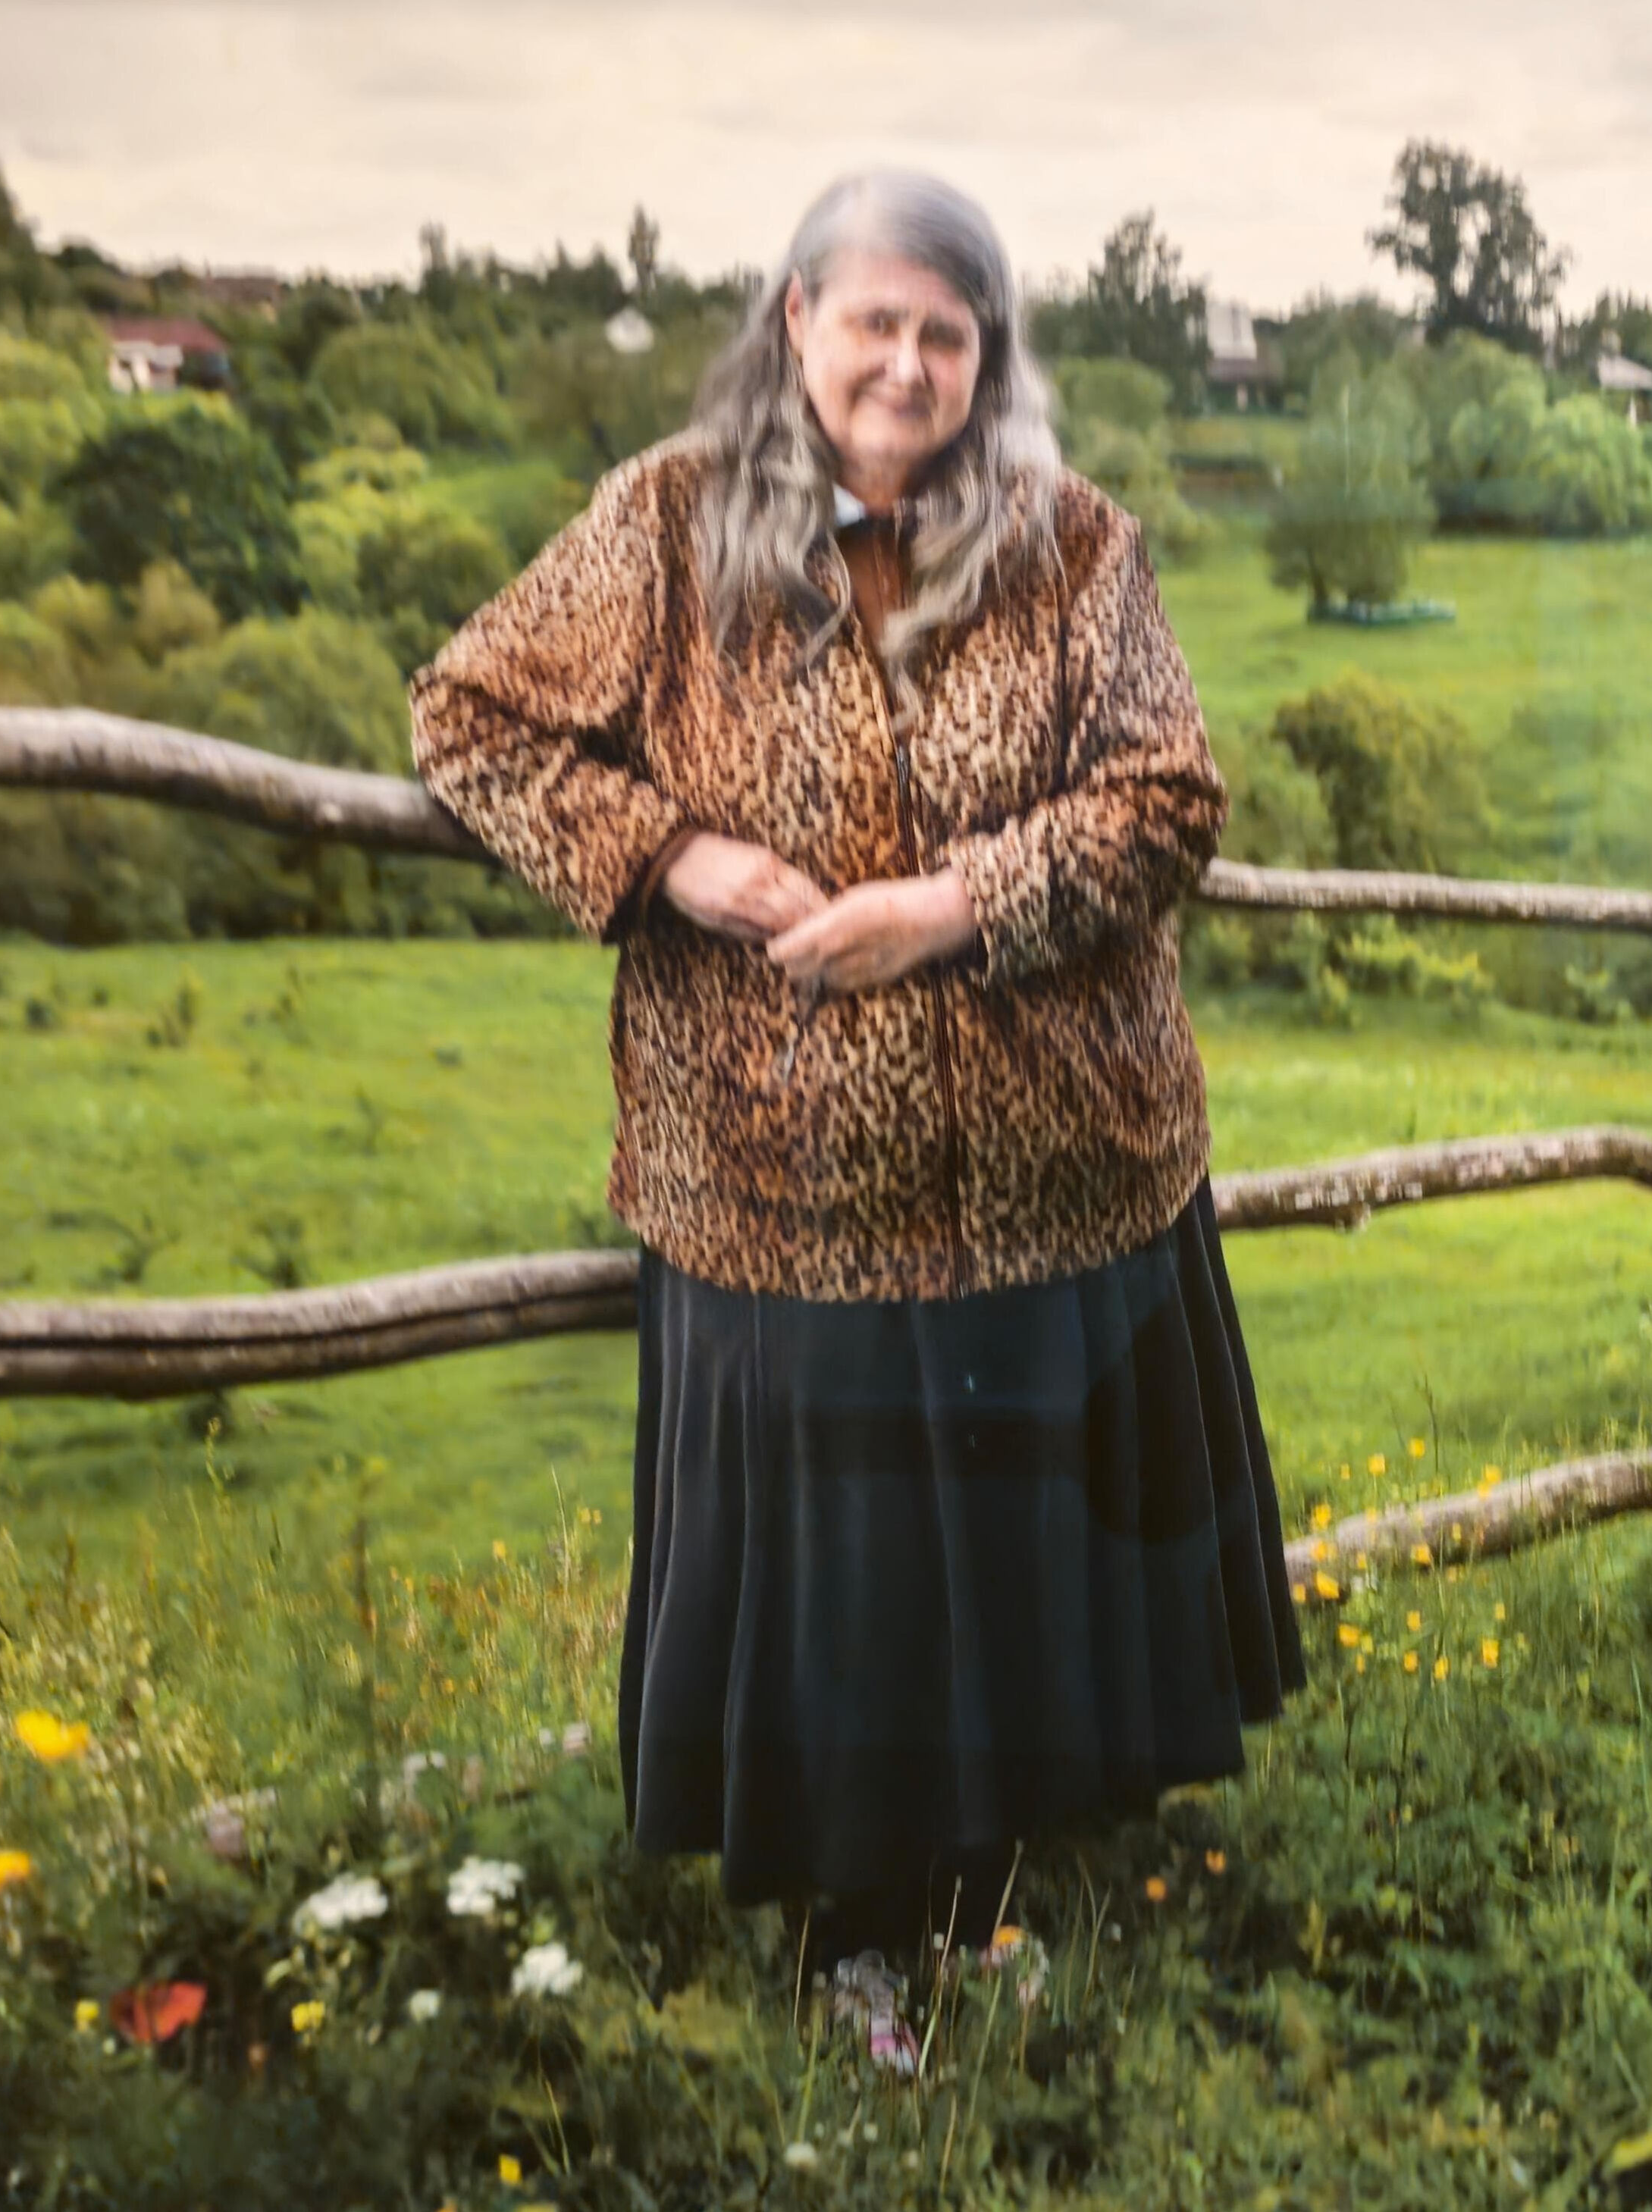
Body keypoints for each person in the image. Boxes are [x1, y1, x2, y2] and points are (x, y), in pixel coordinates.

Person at [407, 171, 1303, 1974]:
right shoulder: (661, 525)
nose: (906, 364)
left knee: (1014, 1573)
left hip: (1062, 1168)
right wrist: (665, 855)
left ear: (988, 358)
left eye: (946, 334)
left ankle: (979, 1919)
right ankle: (855, 1958)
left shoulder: (1075, 546)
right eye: (875, 320)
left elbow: (1165, 802)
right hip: (778, 1186)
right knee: (854, 1602)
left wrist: (953, 904)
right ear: (795, 316)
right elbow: (467, 718)